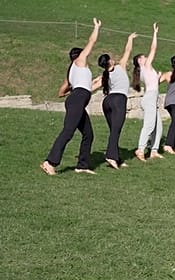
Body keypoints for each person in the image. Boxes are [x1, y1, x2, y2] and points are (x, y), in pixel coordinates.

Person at [41, 18, 102, 175]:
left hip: (77, 99)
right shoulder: (80, 61)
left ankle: (82, 166)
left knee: (88, 134)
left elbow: (61, 92)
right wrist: (96, 27)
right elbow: (92, 42)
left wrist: (77, 89)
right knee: (68, 131)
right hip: (77, 100)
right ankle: (50, 162)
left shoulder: (71, 72)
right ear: (78, 55)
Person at [98, 32, 137, 169]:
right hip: (118, 100)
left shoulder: (105, 75)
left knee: (115, 130)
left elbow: (93, 86)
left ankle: (117, 158)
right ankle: (111, 156)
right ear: (109, 61)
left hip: (107, 102)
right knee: (115, 130)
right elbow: (128, 51)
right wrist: (130, 39)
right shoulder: (120, 66)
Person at [133, 23, 164, 161]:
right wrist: (155, 33)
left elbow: (153, 83)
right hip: (150, 98)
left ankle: (154, 150)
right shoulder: (145, 66)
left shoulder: (144, 70)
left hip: (152, 97)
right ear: (140, 60)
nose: (147, 57)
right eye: (144, 57)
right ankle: (140, 149)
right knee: (150, 125)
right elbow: (154, 48)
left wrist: (157, 78)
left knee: (158, 126)